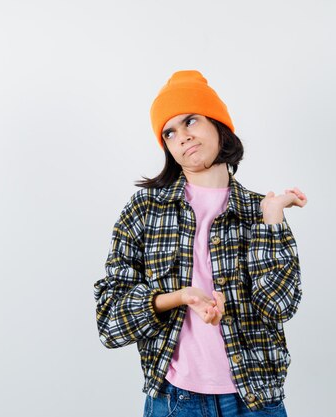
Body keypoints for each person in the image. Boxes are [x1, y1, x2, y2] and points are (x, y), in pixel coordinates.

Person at [94, 70, 307, 417]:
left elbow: (280, 306)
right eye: (170, 132)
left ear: (217, 123)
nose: (182, 137)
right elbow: (110, 322)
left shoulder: (260, 211)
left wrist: (272, 220)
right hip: (175, 401)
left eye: (190, 120)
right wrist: (179, 298)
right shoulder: (145, 210)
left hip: (255, 400)